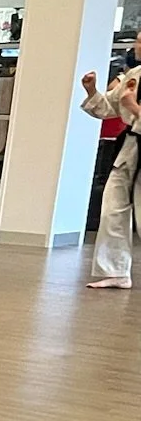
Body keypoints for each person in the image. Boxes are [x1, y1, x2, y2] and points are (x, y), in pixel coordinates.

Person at [80, 64, 140, 290]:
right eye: (137, 40)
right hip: (130, 149)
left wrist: (134, 108)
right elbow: (109, 107)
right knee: (113, 208)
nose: (137, 46)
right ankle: (116, 271)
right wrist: (92, 91)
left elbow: (129, 107)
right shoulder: (135, 75)